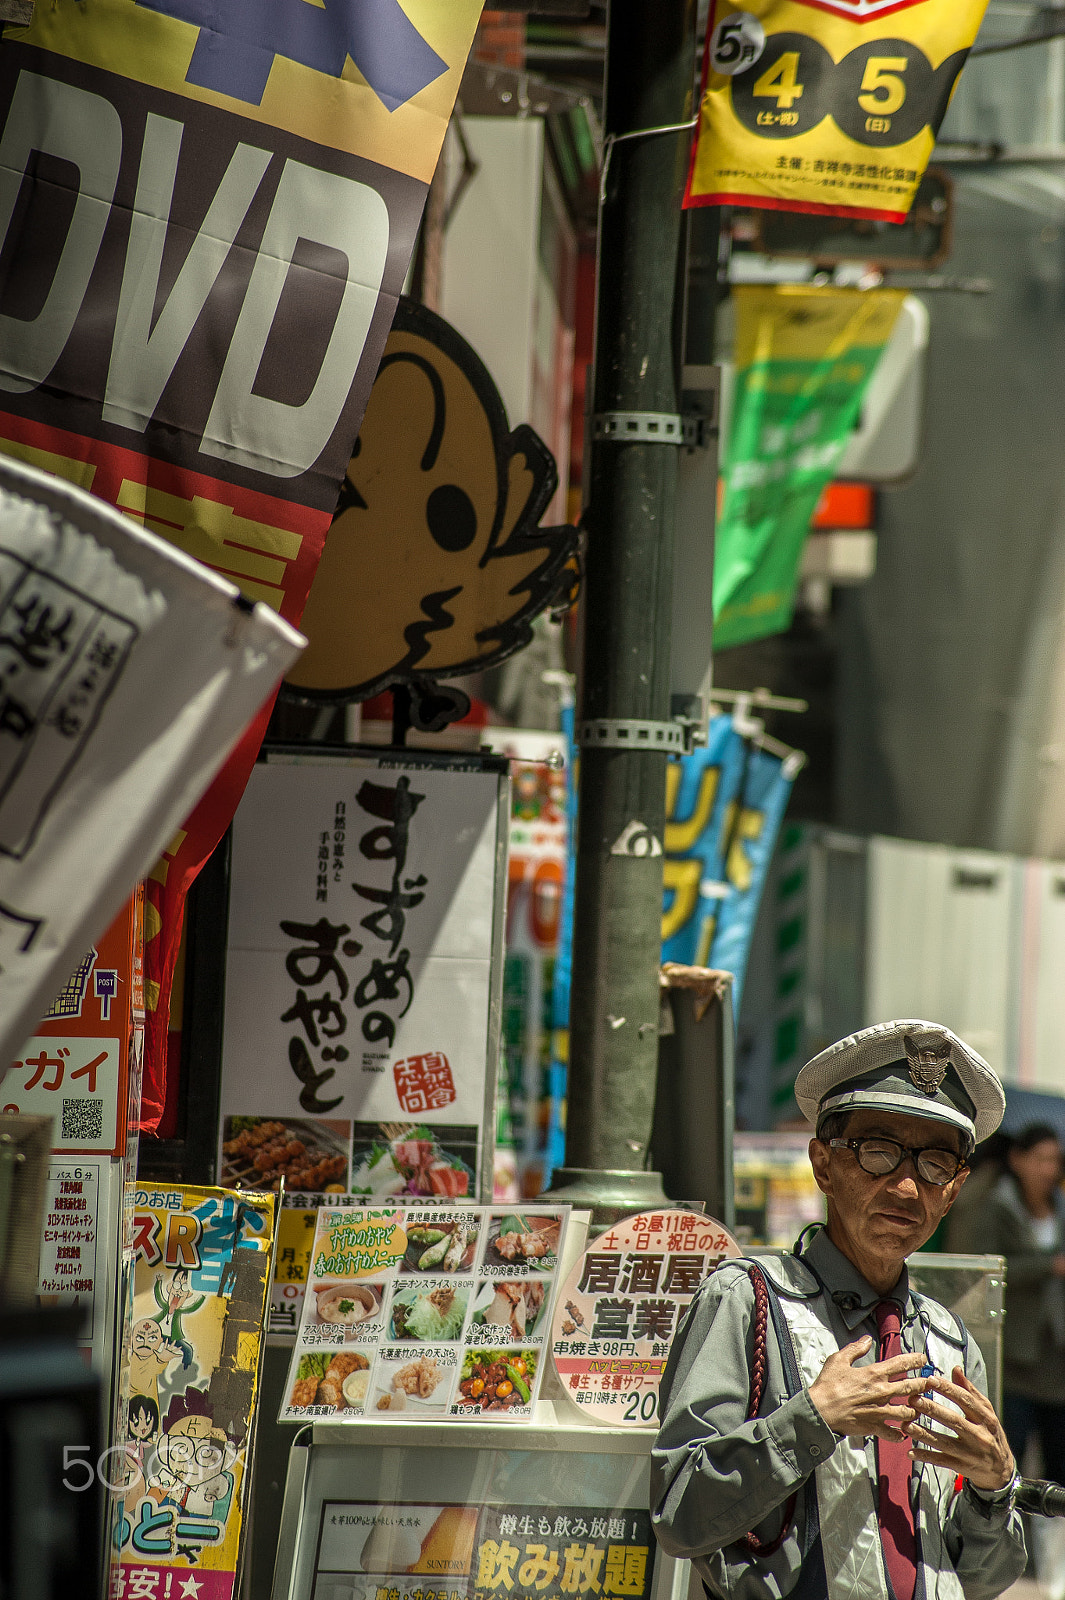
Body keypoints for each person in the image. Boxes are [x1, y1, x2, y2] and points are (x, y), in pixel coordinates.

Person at [652, 1019, 1027, 1600]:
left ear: (953, 1190)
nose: (907, 1189)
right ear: (823, 1164)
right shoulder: (747, 1300)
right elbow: (679, 1517)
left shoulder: (950, 1342)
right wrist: (813, 1419)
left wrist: (994, 1489)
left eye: (933, 1165)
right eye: (879, 1153)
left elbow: (980, 1579)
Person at [948, 1123, 1065, 1484]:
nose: (1049, 1169)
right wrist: (1048, 1265)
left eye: (1055, 1160)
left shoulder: (1059, 1206)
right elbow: (984, 1267)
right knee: (1010, 1460)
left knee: (1058, 1463)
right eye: (1041, 1159)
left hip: (1056, 1357)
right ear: (1017, 1159)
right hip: (1014, 1356)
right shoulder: (994, 1205)